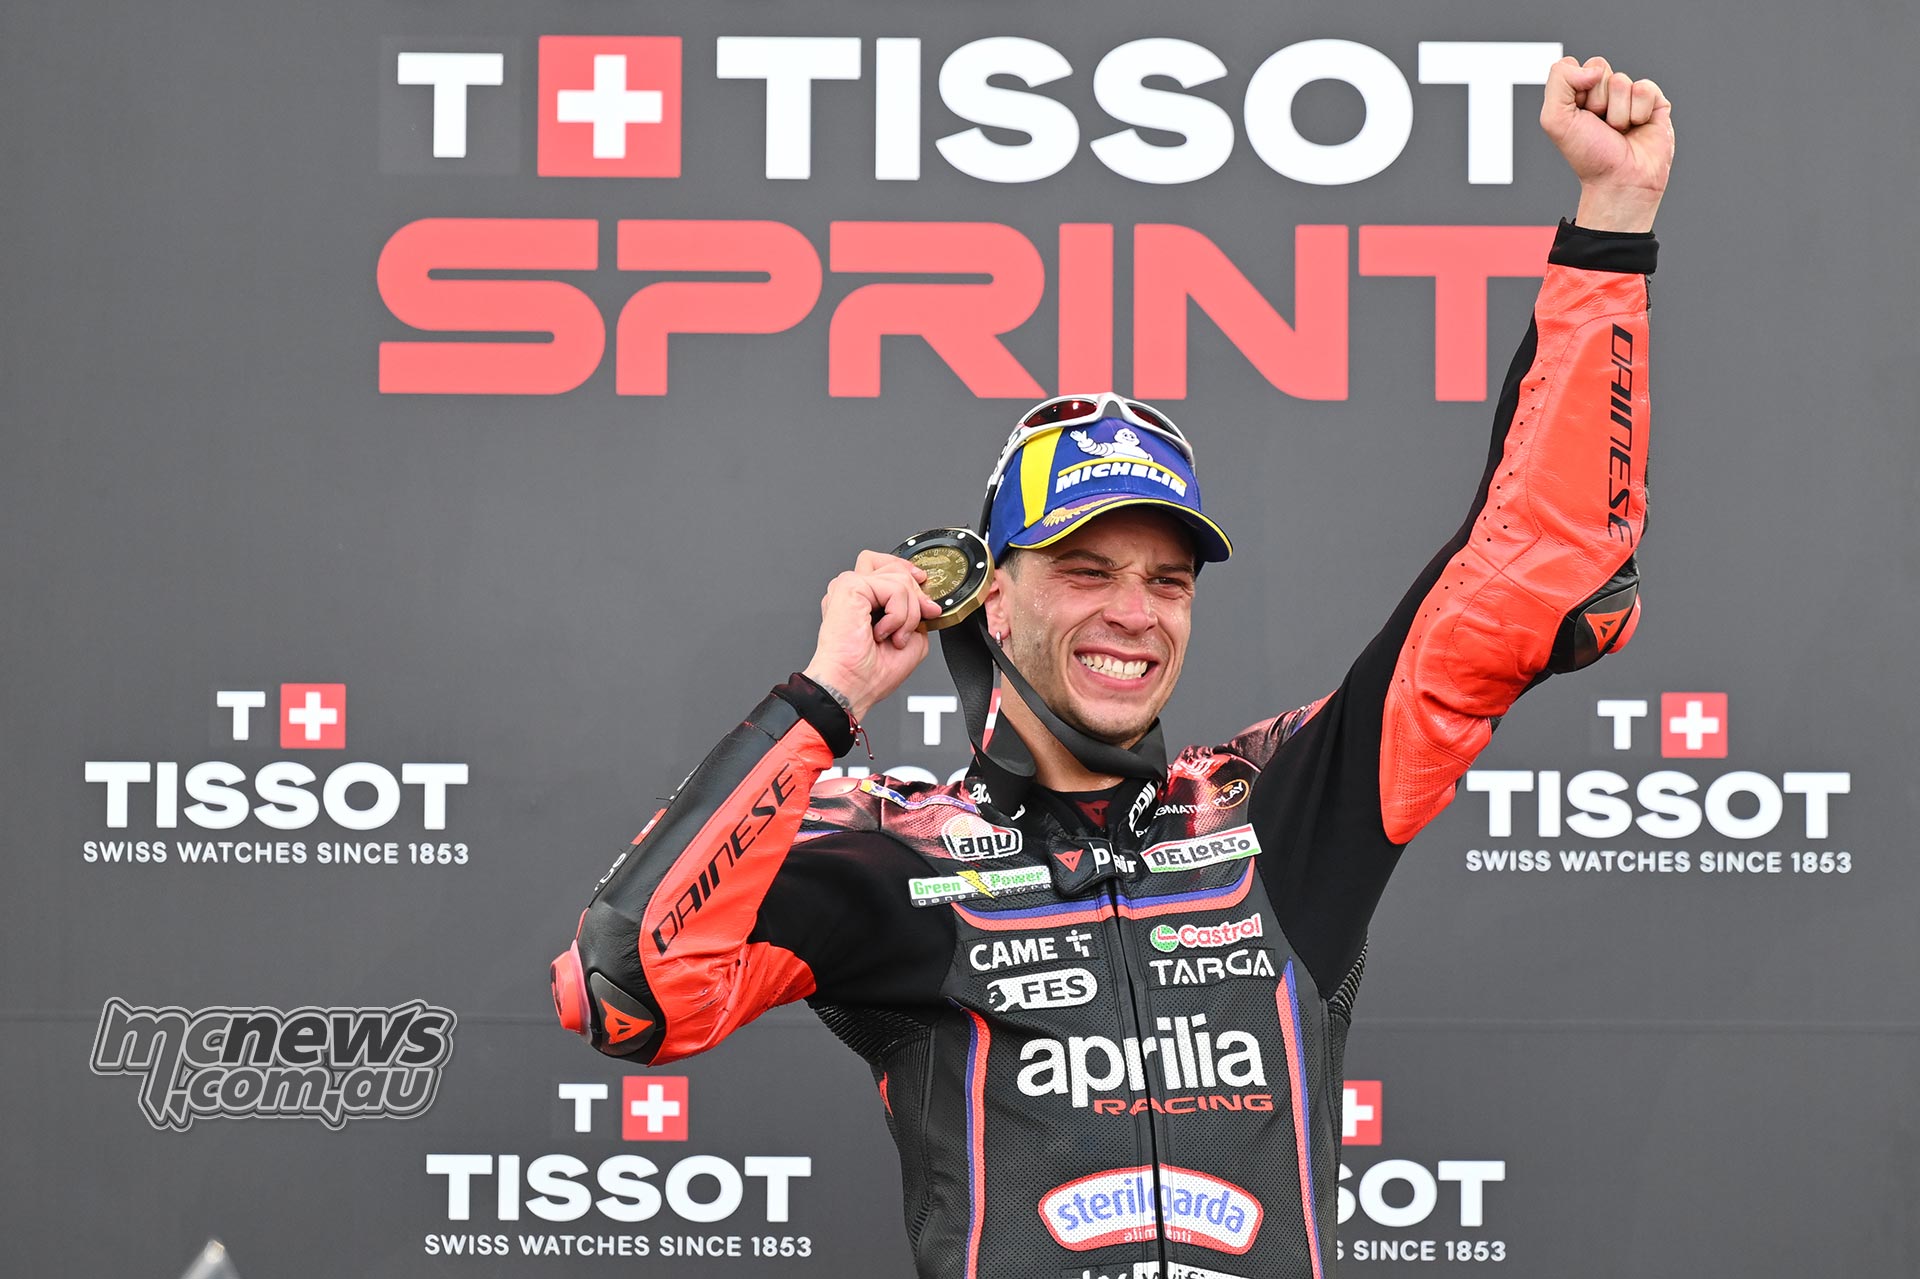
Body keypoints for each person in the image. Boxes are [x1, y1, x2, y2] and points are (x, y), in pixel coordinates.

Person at [550, 55, 1672, 1279]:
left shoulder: (1274, 809)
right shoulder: (893, 848)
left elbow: (1533, 581)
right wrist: (824, 702)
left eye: (1168, 579)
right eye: (1086, 569)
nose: (1134, 613)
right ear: (994, 596)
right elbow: (628, 986)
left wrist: (1610, 226)